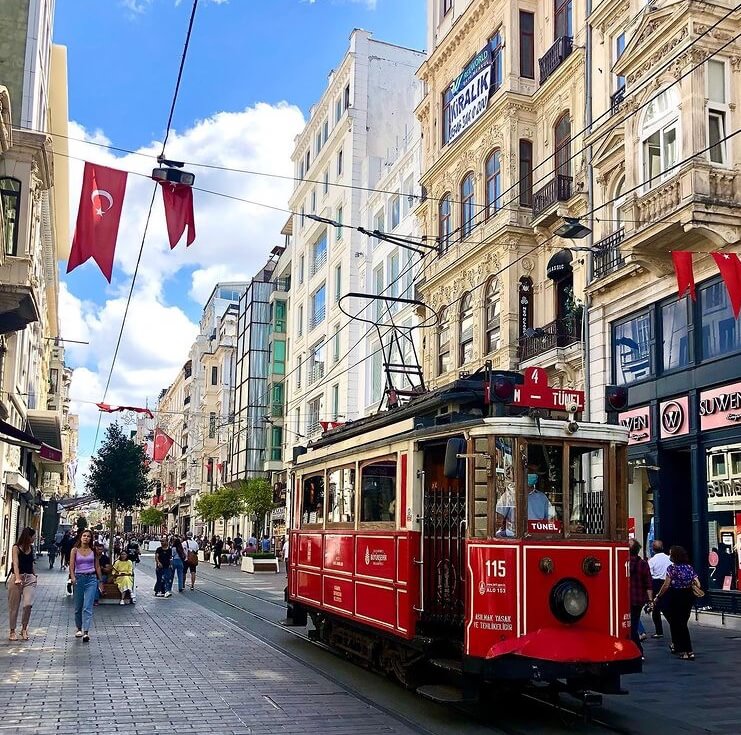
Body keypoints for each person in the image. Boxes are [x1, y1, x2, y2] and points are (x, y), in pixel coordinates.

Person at [653, 545, 700, 660]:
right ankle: (687, 650)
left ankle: (685, 650)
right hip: (688, 596)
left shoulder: (672, 568)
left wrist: (658, 596)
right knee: (683, 622)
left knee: (678, 624)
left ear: (674, 556)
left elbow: (666, 585)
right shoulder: (689, 568)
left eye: (670, 554)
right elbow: (698, 583)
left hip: (675, 596)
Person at [70, 529, 103, 642]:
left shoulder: (93, 551)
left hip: (91, 578)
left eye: (88, 536)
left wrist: (100, 581)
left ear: (91, 539)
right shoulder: (75, 550)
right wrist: (73, 577)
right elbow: (71, 566)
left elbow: (97, 566)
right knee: (78, 606)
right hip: (79, 578)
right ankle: (79, 628)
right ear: (80, 537)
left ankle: (86, 632)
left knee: (88, 606)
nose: (86, 538)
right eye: (84, 536)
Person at [7, 527, 37, 642]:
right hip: (17, 578)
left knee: (28, 604)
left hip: (29, 578)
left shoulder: (31, 547)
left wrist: (34, 575)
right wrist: (17, 578)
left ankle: (24, 628)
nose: (34, 538)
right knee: (13, 607)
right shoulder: (16, 547)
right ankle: (12, 630)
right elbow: (16, 563)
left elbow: (31, 563)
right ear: (28, 536)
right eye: (33, 536)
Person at [629, 539, 653, 656]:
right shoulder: (643, 564)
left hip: (624, 599)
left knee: (630, 627)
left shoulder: (622, 562)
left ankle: (638, 651)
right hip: (638, 599)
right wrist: (650, 600)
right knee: (633, 623)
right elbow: (648, 584)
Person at [648, 539, 671, 638]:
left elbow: (650, 574)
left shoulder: (652, 561)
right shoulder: (669, 558)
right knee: (668, 607)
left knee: (656, 608)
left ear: (653, 549)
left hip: (656, 583)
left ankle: (659, 631)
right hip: (667, 582)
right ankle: (673, 625)